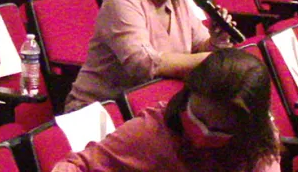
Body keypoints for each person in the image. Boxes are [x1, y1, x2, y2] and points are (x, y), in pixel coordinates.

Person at [65, 0, 236, 110]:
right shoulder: (122, 2)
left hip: (152, 102)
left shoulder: (176, 0)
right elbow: (143, 64)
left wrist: (217, 41)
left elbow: (200, 45)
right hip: (102, 108)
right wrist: (215, 60)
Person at [54, 49, 280, 172]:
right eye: (197, 118)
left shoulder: (257, 143)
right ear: (187, 95)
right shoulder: (151, 130)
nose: (203, 136)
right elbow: (77, 165)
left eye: (219, 130)